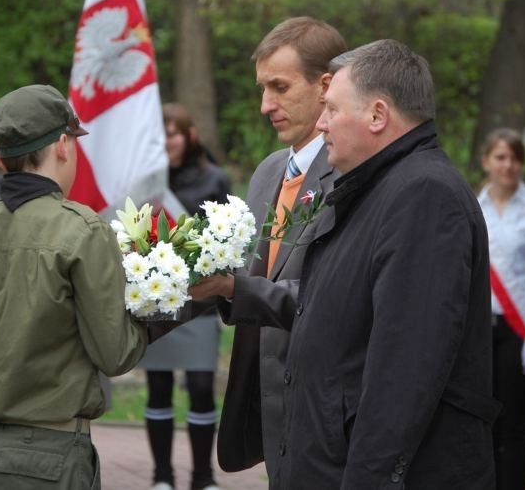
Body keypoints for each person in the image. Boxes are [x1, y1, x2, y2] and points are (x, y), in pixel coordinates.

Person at [193, 39, 499, 488]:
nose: (321, 122)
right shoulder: (376, 188)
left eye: (332, 109)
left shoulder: (425, 196)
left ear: (377, 115)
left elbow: (404, 374)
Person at [0, 84, 180, 489]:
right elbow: (115, 354)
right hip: (49, 456)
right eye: (74, 141)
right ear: (62, 144)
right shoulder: (82, 228)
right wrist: (170, 304)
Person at [187, 17, 345, 480]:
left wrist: (235, 288)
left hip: (325, 407)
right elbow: (242, 278)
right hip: (269, 409)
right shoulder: (269, 170)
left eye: (279, 86)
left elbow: (332, 295)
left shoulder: (352, 172)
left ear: (326, 86)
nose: (265, 105)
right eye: (261, 88)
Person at [138, 103, 230, 490]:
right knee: (158, 387)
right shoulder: (144, 182)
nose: (168, 142)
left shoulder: (215, 179)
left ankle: (203, 477)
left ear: (189, 135)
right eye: (161, 136)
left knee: (200, 388)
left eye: (173, 133)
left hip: (200, 299)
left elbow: (225, 237)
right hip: (156, 297)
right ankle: (162, 477)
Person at [477, 128, 525, 490]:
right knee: (483, 422)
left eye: (515, 158)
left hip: (520, 329)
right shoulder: (473, 206)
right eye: (501, 157)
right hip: (480, 331)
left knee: (513, 425)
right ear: (486, 161)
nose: (508, 165)